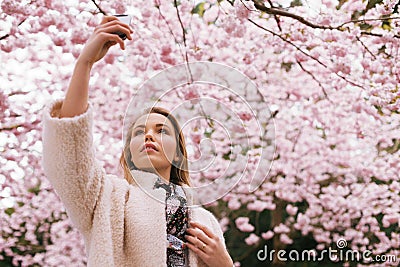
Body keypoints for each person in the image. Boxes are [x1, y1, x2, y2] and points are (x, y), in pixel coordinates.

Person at [42, 15, 234, 267]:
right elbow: (70, 158)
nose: (149, 135)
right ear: (129, 154)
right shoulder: (107, 198)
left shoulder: (204, 220)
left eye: (161, 131)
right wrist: (85, 63)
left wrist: (224, 264)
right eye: (139, 132)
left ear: (179, 154)